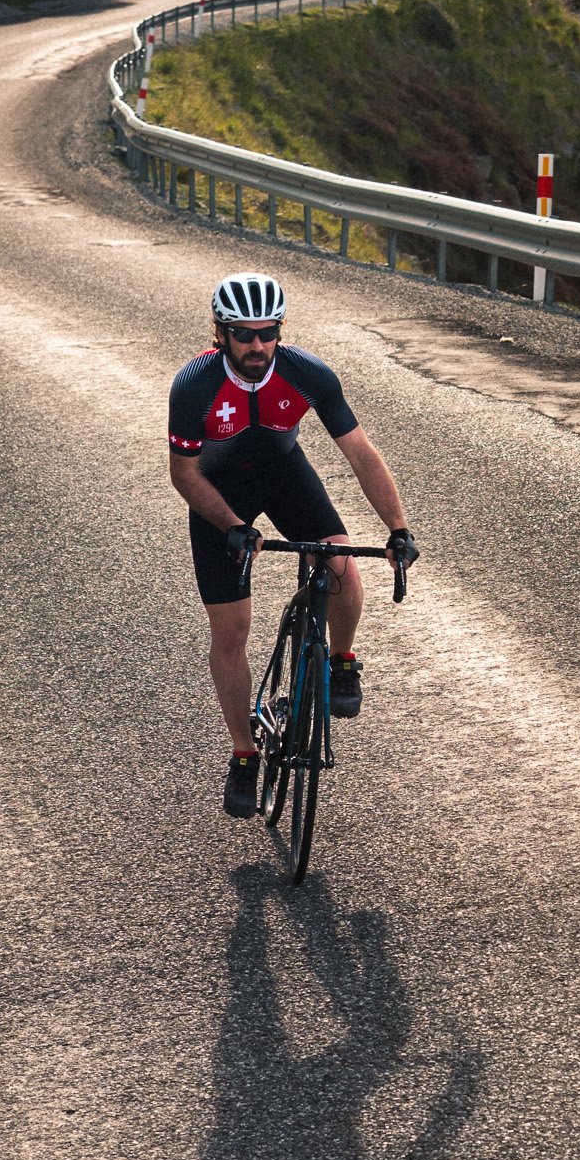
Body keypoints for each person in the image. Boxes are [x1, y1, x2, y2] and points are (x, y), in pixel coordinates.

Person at [168, 271, 418, 819]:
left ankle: (342, 660)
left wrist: (398, 528)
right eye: (244, 334)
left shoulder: (307, 374)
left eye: (268, 332)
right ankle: (243, 754)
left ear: (280, 330)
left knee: (343, 566)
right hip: (218, 496)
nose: (257, 345)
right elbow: (184, 474)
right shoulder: (195, 386)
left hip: (285, 476)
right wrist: (234, 525)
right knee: (231, 632)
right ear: (221, 333)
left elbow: (360, 454)